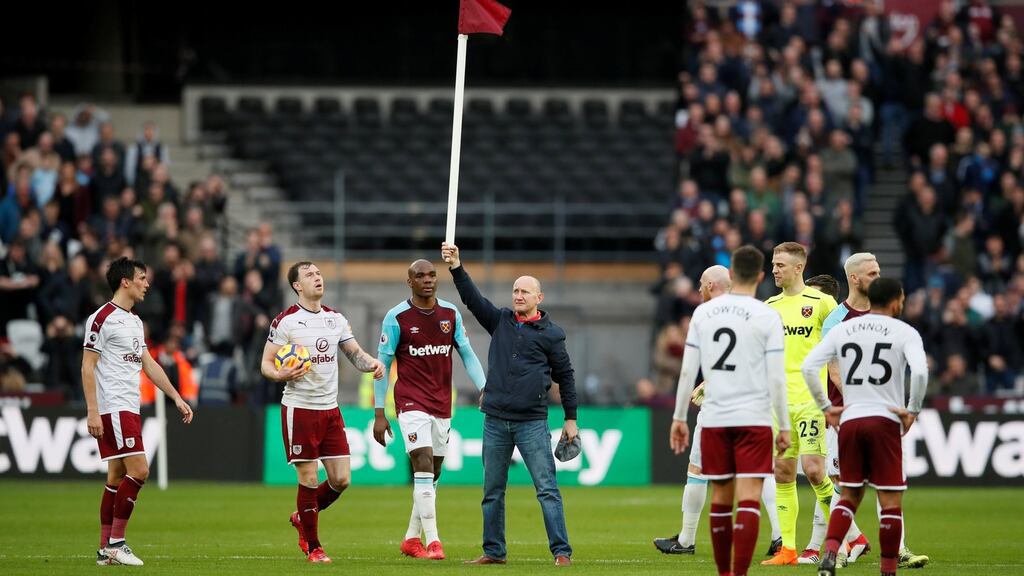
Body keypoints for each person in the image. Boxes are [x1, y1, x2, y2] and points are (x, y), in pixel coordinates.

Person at [441, 242, 577, 567]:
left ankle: (561, 551)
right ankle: (494, 552)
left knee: (546, 489)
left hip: (532, 422)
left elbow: (566, 377)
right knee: (492, 491)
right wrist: (457, 267)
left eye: (525, 292)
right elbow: (472, 300)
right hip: (495, 420)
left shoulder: (551, 334)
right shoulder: (500, 320)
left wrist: (570, 419)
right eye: (516, 290)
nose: (518, 295)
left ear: (538, 298)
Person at [670, 246, 791, 576]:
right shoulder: (768, 315)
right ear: (762, 276)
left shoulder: (703, 315)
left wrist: (679, 416)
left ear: (733, 274)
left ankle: (724, 573)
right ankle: (740, 573)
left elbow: (686, 372)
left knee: (721, 499)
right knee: (749, 498)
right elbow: (776, 377)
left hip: (716, 418)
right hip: (755, 417)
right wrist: (784, 426)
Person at [805, 255, 929, 569]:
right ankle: (848, 549)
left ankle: (887, 549)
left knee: (851, 489)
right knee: (858, 486)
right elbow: (833, 373)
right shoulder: (837, 318)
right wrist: (870, 400)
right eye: (871, 272)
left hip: (852, 417)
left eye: (879, 272)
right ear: (855, 278)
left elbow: (813, 367)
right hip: (859, 414)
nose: (877, 276)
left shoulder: (858, 327)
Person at [260, 261, 385, 563]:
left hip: (330, 410)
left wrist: (372, 364)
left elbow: (353, 352)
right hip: (300, 408)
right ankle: (314, 546)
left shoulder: (335, 319)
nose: (317, 278)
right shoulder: (285, 322)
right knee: (309, 478)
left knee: (341, 480)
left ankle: (302, 515)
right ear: (297, 286)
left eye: (318, 273)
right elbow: (266, 364)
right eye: (309, 275)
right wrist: (281, 375)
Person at [82, 257, 195, 566]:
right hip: (114, 406)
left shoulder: (134, 321)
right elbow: (87, 366)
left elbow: (148, 364)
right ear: (125, 282)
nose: (147, 284)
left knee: (117, 475)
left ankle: (106, 548)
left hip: (129, 406)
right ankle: (117, 543)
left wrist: (176, 397)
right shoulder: (101, 318)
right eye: (142, 278)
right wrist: (93, 412)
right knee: (140, 471)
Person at [371, 259, 487, 560]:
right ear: (409, 281)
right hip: (410, 402)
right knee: (421, 461)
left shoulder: (450, 314)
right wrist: (379, 412)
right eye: (419, 275)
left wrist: (485, 387)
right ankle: (434, 542)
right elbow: (381, 366)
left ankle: (411, 539)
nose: (427, 279)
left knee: (433, 472)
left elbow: (468, 354)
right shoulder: (396, 317)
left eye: (432, 274)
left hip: (441, 403)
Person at [763, 242, 839, 566]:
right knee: (782, 473)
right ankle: (789, 550)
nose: (774, 270)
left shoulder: (822, 303)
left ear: (799, 267)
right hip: (779, 405)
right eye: (773, 264)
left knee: (813, 470)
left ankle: (840, 538)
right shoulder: (769, 306)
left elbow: (839, 350)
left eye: (780, 265)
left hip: (810, 401)